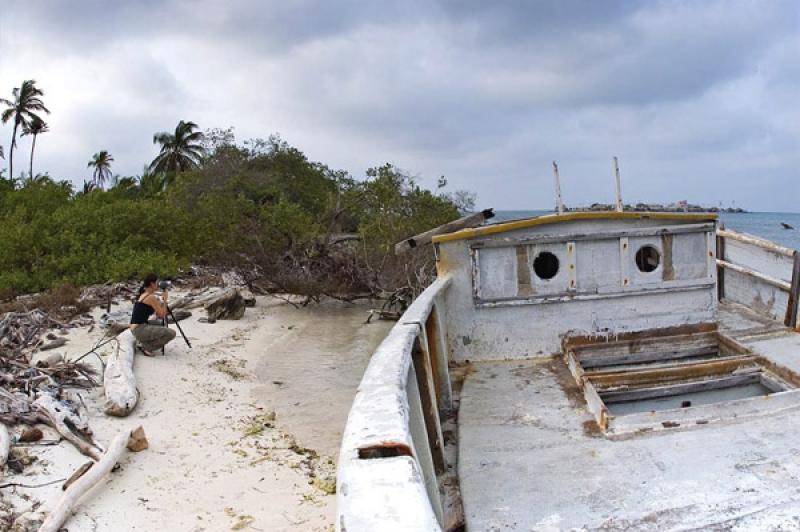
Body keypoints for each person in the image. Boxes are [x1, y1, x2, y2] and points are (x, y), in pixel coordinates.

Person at [130, 273, 176, 355]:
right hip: (139, 329)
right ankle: (146, 347)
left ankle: (143, 341)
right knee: (171, 333)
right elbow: (162, 315)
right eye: (157, 282)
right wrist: (165, 300)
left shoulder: (144, 293)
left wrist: (160, 301)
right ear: (152, 283)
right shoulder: (150, 297)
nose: (158, 285)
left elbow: (159, 314)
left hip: (137, 327)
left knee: (162, 324)